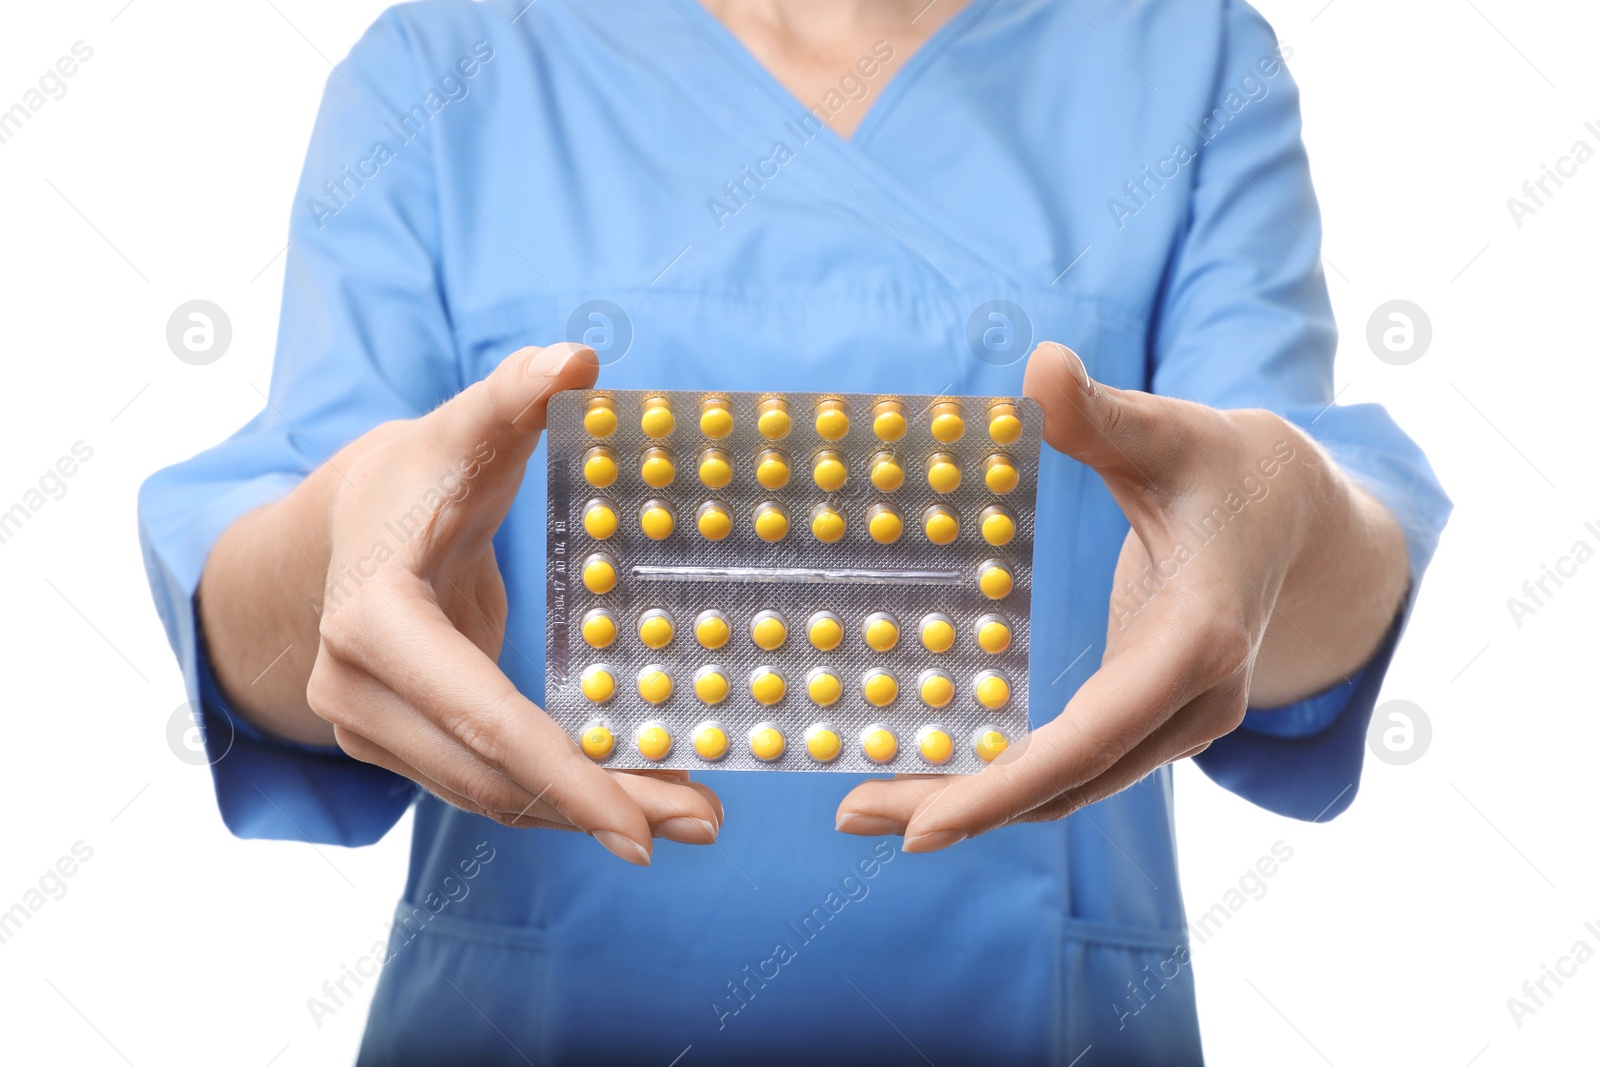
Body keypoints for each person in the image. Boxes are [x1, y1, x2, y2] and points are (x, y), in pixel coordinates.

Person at [137, 0, 1449, 1062]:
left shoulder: (1188, 60)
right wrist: (339, 567)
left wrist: (1271, 521)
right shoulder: (441, 66)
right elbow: (268, 631)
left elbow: (1309, 569)